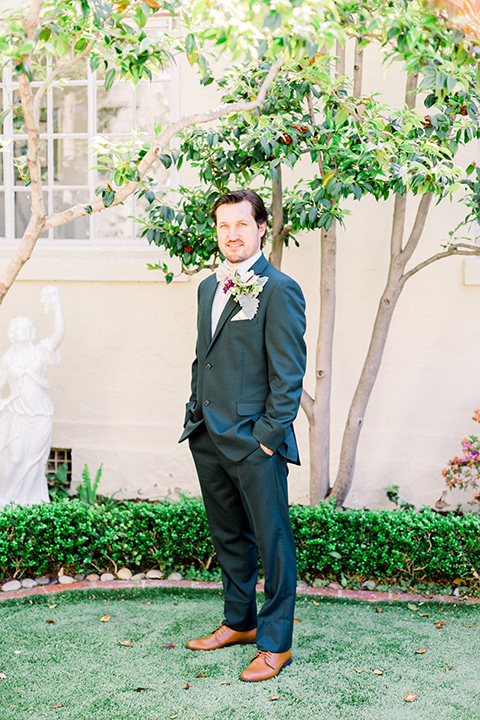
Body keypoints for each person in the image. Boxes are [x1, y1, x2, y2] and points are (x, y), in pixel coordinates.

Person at [179, 189, 307, 682]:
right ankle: (240, 622)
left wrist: (269, 436)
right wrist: (194, 412)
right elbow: (203, 356)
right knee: (229, 536)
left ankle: (276, 644)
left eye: (241, 224)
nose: (232, 234)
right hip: (207, 436)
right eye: (223, 226)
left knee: (273, 543)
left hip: (255, 441)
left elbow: (288, 374)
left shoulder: (279, 289)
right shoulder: (208, 288)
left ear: (260, 228)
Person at [0, 286, 65, 507]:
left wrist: (57, 304)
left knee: (34, 462)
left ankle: (28, 504)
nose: (23, 331)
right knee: (15, 457)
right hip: (18, 413)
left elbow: (59, 334)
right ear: (12, 333)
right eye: (19, 328)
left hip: (41, 413)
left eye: (27, 328)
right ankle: (5, 499)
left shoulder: (40, 352)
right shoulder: (7, 360)